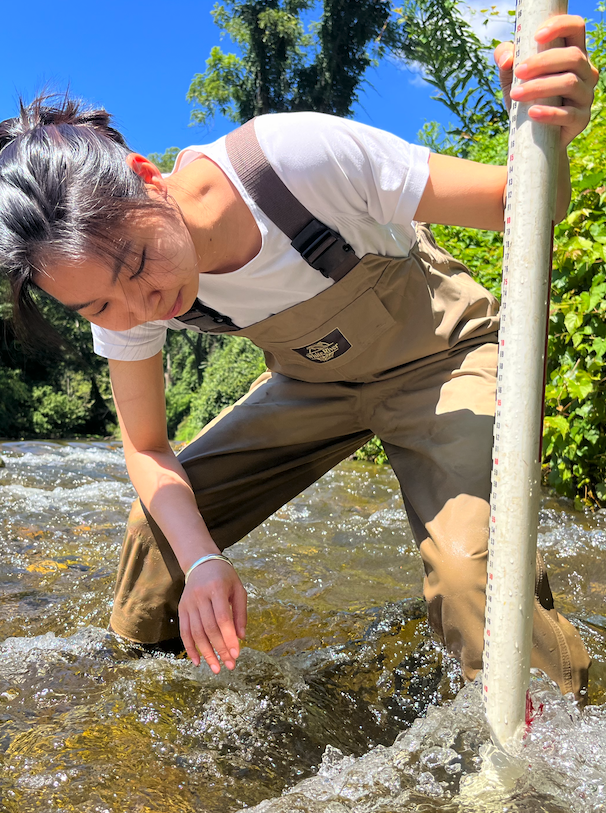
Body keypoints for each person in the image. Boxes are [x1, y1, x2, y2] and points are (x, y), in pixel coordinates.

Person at [0, 15, 598, 701]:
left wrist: (550, 126)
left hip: (444, 356)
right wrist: (202, 563)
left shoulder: (296, 160)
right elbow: (145, 448)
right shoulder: (117, 288)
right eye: (98, 310)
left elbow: (531, 206)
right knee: (158, 539)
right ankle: (148, 707)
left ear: (147, 179)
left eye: (137, 265)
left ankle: (546, 744)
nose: (138, 310)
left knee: (474, 582)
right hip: (313, 383)